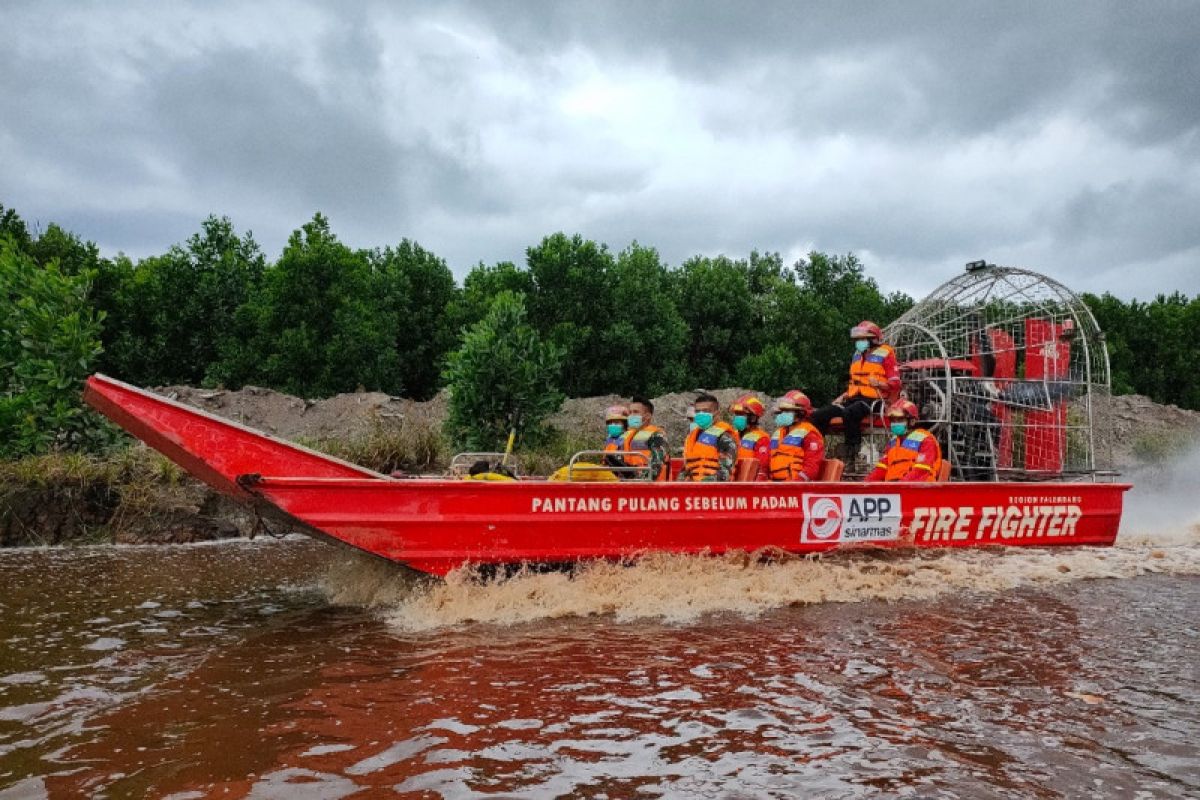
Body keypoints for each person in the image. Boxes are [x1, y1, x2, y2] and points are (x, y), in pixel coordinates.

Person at [810, 320, 901, 464]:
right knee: (817, 416)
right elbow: (855, 382)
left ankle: (851, 455)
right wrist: (843, 396)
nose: (859, 342)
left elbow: (895, 383)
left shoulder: (886, 353)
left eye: (862, 339)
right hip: (853, 398)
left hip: (873, 401)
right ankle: (815, 454)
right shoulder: (857, 355)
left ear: (873, 339)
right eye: (858, 339)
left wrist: (879, 384)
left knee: (849, 413)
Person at [866, 400, 943, 482]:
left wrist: (900, 485)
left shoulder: (926, 440)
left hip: (917, 488)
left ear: (912, 421)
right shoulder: (892, 443)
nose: (895, 424)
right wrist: (864, 485)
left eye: (900, 420)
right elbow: (881, 468)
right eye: (893, 420)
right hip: (894, 487)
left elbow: (922, 470)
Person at [678, 393, 739, 482]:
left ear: (717, 413)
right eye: (698, 411)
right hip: (693, 489)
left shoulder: (724, 437)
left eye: (706, 411)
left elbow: (724, 473)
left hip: (714, 490)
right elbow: (686, 469)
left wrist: (701, 485)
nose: (701, 414)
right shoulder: (693, 436)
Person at [768, 390, 825, 481]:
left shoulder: (810, 433)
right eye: (782, 411)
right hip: (775, 485)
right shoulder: (778, 433)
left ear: (800, 412)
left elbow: (811, 467)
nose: (782, 414)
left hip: (795, 487)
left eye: (787, 411)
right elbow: (768, 461)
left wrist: (796, 483)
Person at [621, 396, 670, 480]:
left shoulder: (657, 435)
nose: (631, 415)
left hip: (651, 487)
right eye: (630, 412)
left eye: (635, 412)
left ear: (647, 416)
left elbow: (657, 463)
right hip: (629, 483)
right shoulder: (626, 436)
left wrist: (638, 481)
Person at [731, 394, 770, 479]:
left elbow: (762, 468)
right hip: (732, 483)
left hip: (748, 485)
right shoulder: (732, 434)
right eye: (737, 414)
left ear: (753, 418)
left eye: (742, 414)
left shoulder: (761, 438)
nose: (738, 417)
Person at [601, 405, 630, 470]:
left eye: (616, 423)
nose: (612, 425)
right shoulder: (609, 439)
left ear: (625, 425)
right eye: (610, 423)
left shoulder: (629, 439)